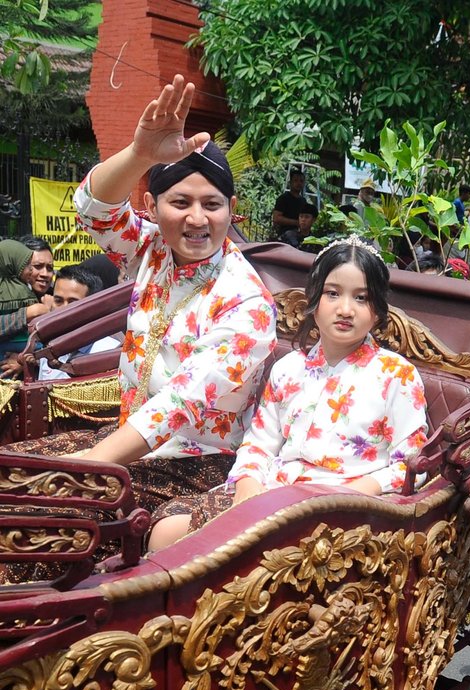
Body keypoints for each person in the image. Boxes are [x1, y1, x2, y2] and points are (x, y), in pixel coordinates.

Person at [4, 74, 277, 520]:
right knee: (12, 475)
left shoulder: (247, 302)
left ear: (231, 208)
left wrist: (83, 467)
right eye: (180, 202)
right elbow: (93, 208)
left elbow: (180, 404)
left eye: (212, 204)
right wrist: (139, 154)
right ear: (151, 206)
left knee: (42, 510)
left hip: (198, 463)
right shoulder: (151, 249)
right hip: (129, 439)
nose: (197, 218)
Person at [148, 233, 428, 550]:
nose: (346, 309)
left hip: (344, 512)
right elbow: (259, 443)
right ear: (314, 302)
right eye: (333, 294)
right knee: (165, 528)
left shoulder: (397, 375)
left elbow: (412, 464)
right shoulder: (288, 369)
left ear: (377, 310)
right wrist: (247, 485)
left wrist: (362, 490)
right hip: (273, 493)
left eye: (361, 298)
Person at [0, 240, 50, 359]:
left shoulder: (52, 295)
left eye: (50, 268)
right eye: (36, 266)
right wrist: (26, 314)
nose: (45, 274)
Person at [272, 168, 306, 235]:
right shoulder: (283, 198)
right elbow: (276, 218)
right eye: (295, 180)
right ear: (290, 182)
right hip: (284, 234)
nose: (299, 183)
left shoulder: (303, 201)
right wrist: (296, 222)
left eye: (301, 181)